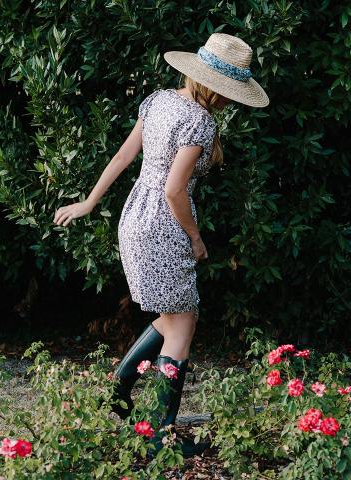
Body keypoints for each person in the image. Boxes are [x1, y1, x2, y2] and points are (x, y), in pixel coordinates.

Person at [53, 32, 269, 456]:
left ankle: (117, 391)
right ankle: (159, 439)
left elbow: (122, 156)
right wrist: (195, 237)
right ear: (220, 88)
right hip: (164, 226)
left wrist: (89, 202)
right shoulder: (199, 121)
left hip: (134, 218)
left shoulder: (158, 101)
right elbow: (174, 190)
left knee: (172, 318)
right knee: (182, 327)